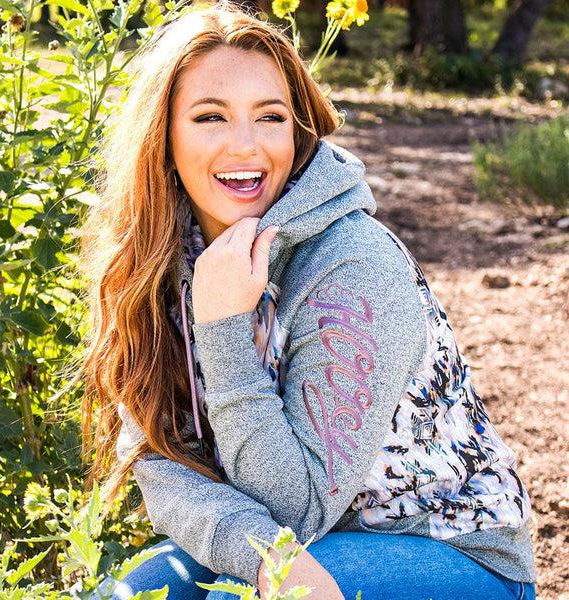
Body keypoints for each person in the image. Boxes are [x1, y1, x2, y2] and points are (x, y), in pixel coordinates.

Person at [80, 4, 536, 599]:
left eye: (270, 117)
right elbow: (161, 463)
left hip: (448, 550)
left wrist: (221, 328)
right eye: (210, 117)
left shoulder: (353, 267)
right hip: (291, 539)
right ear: (162, 138)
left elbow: (298, 509)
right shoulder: (161, 260)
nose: (245, 146)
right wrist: (259, 553)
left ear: (297, 130)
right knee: (131, 594)